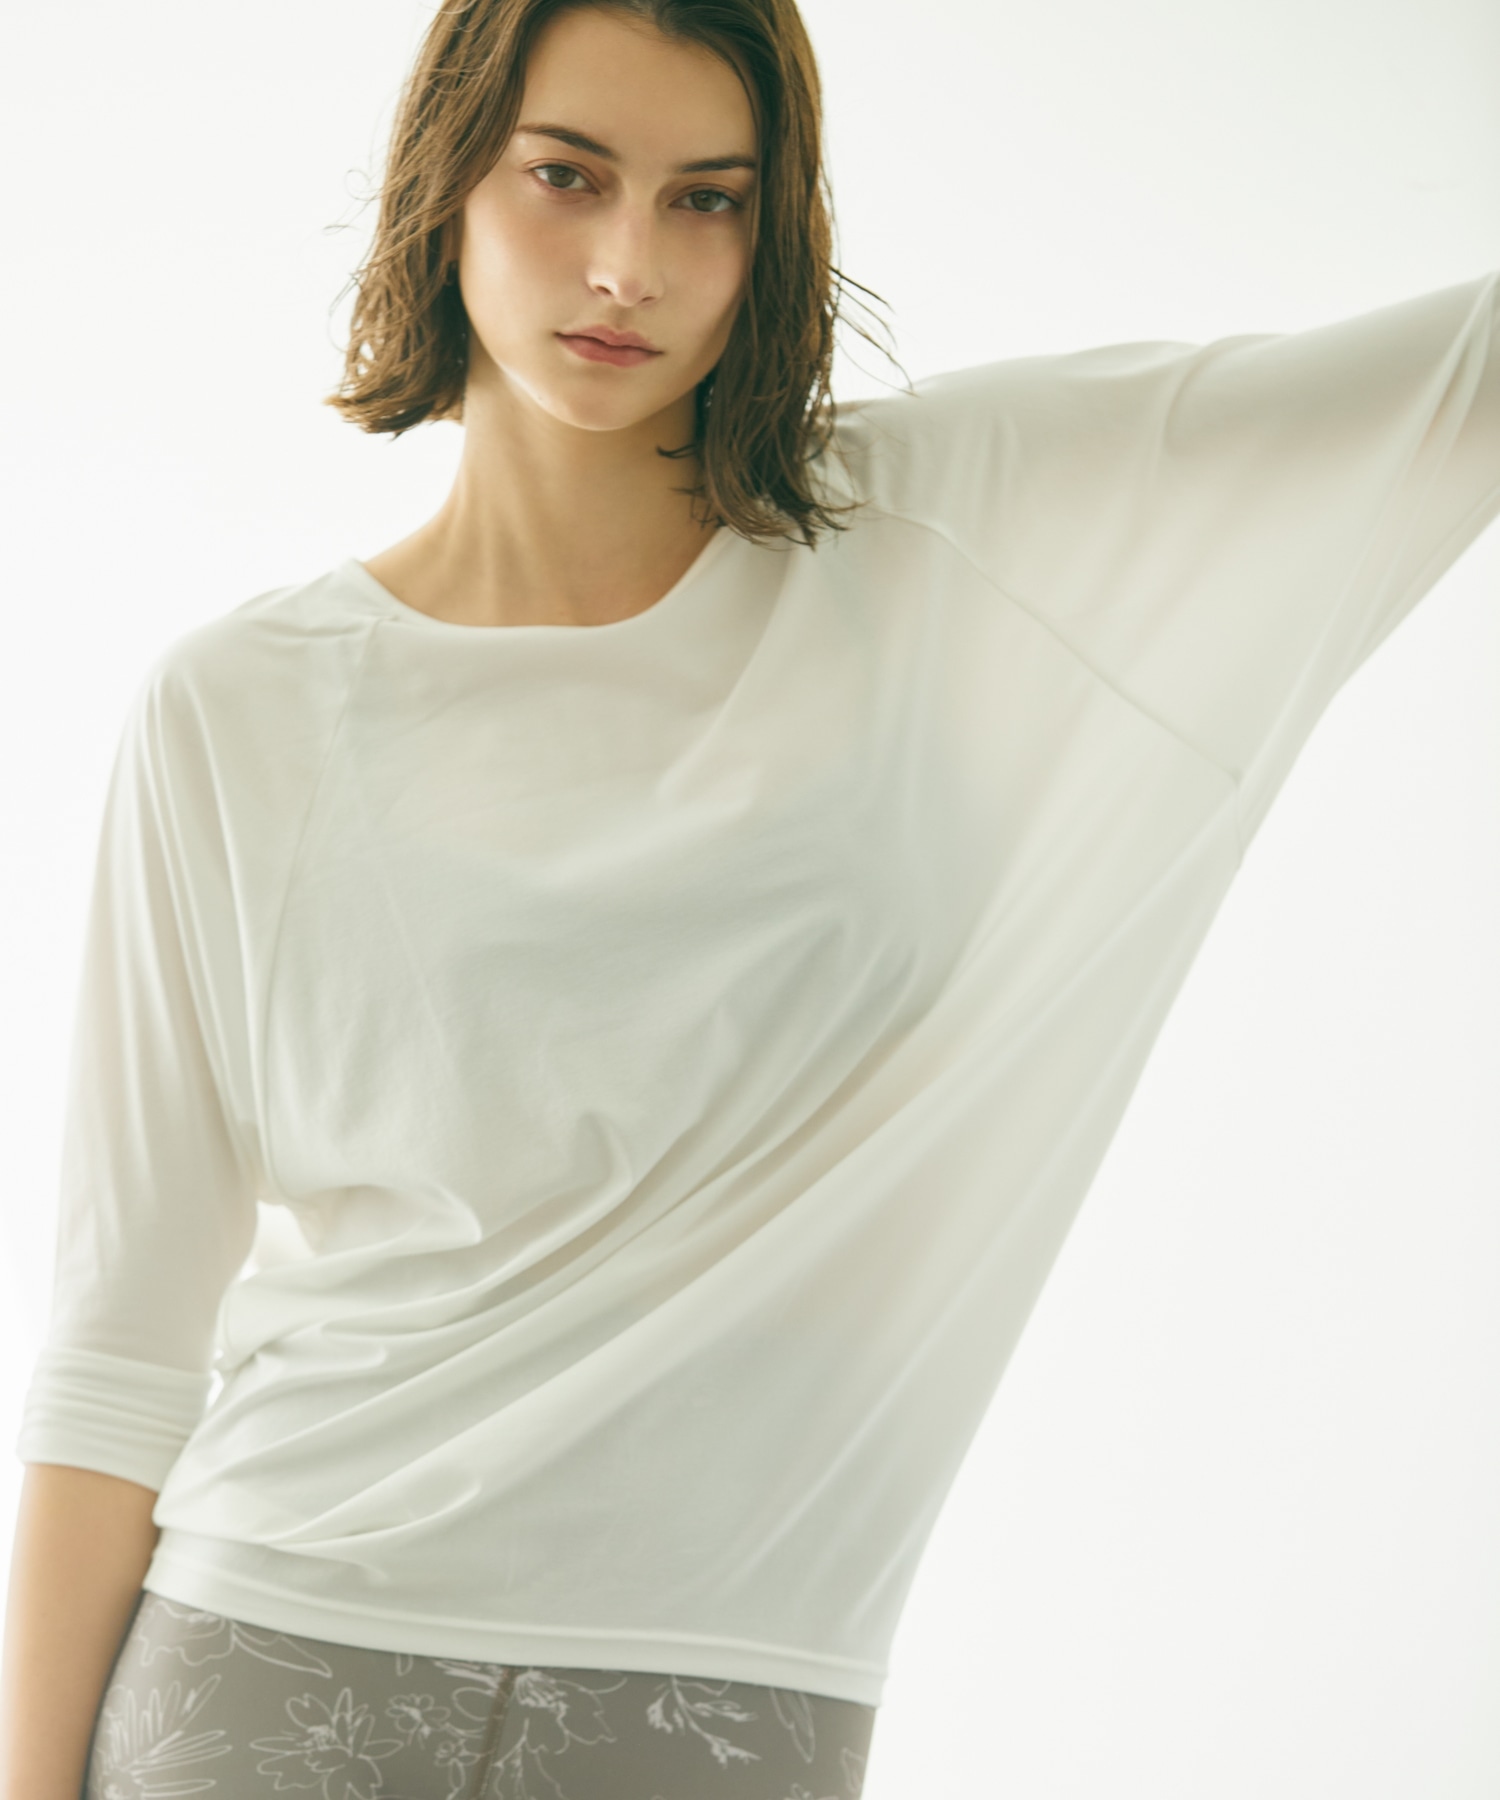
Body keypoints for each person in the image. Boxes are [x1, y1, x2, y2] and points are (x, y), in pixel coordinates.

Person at [2, 0, 1496, 1794]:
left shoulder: (938, 532)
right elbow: (122, 1342)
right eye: (567, 177)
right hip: (265, 1665)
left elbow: (1461, 383)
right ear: (444, 182)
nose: (629, 266)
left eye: (706, 200)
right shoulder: (236, 705)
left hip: (724, 1701)